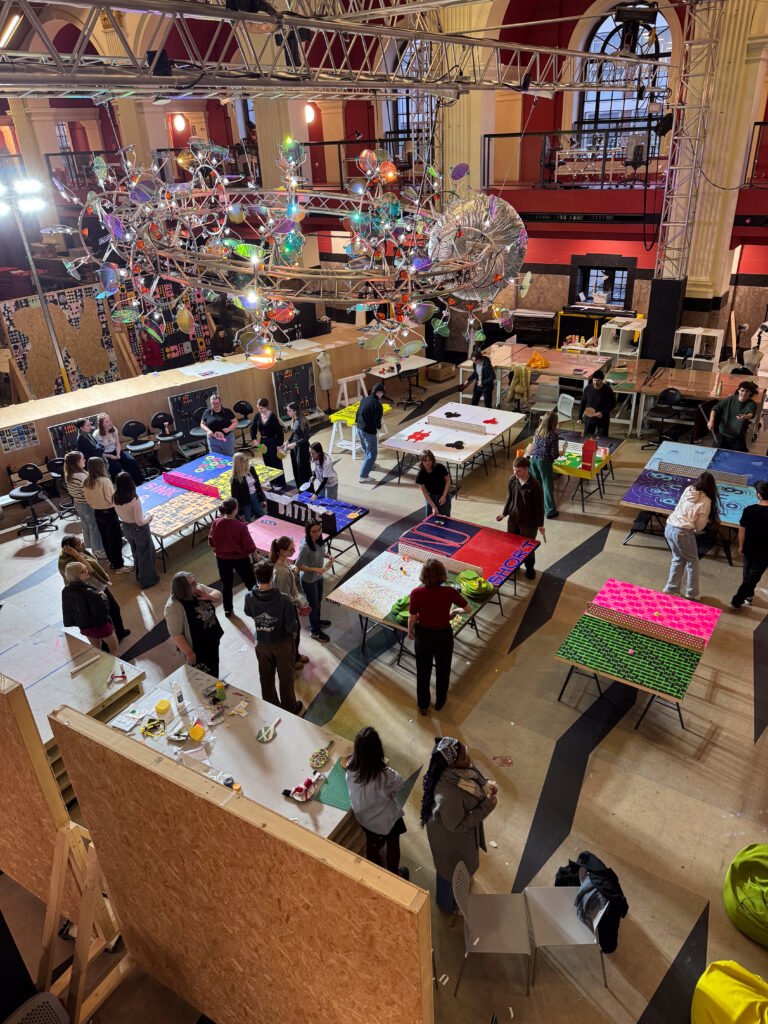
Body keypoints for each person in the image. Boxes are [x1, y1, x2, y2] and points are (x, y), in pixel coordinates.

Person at [420, 737, 497, 912]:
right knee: (450, 877)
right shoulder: (449, 794)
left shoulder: (459, 770)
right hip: (451, 844)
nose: (468, 760)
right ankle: (447, 905)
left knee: (461, 871)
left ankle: (460, 887)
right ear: (451, 765)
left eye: (466, 752)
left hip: (461, 839)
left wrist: (486, 787)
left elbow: (474, 775)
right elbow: (456, 825)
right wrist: (487, 806)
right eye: (463, 758)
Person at [345, 726, 408, 878]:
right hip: (386, 820)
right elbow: (399, 782)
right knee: (393, 845)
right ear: (378, 752)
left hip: (364, 819)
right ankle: (394, 873)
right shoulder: (384, 775)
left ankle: (375, 865)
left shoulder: (350, 767)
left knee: (371, 843)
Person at [408, 558, 469, 715]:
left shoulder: (416, 593)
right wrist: (454, 612)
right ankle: (440, 702)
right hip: (443, 636)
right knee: (443, 670)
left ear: (423, 575)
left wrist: (410, 631)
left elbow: (412, 617)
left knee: (423, 672)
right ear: (443, 574)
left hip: (424, 635)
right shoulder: (450, 592)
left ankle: (423, 705)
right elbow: (467, 609)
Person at [244, 560, 303, 715]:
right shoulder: (283, 599)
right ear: (272, 577)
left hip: (262, 642)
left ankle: (272, 707)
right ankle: (290, 708)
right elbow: (291, 625)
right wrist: (293, 633)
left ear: (257, 578)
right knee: (286, 678)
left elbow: (248, 612)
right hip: (282, 643)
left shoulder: (249, 597)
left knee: (266, 678)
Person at [58, 537, 130, 643]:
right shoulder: (69, 562)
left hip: (99, 586)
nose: (83, 544)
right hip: (91, 592)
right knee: (103, 618)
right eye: (79, 544)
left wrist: (77, 553)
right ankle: (108, 643)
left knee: (114, 609)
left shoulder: (80, 553)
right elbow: (90, 569)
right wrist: (76, 555)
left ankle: (119, 632)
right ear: (71, 549)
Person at [663, 471, 720, 600]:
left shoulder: (689, 489)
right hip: (683, 532)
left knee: (678, 558)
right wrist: (696, 530)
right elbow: (701, 521)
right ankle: (692, 593)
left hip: (669, 526)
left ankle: (671, 588)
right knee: (692, 561)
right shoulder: (706, 500)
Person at [164, 571, 223, 677]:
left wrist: (209, 596)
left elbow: (218, 595)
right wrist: (189, 653)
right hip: (197, 649)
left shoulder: (198, 589)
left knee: (214, 672)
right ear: (182, 588)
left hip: (212, 641)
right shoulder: (173, 607)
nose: (196, 584)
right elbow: (176, 635)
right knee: (203, 678)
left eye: (195, 581)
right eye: (192, 584)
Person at [496, 456, 545, 580]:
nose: (515, 474)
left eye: (518, 471)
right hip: (513, 519)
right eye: (514, 471)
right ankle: (514, 566)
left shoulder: (535, 485)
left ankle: (529, 569)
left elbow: (539, 507)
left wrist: (540, 524)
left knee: (527, 547)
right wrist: (504, 513)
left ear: (526, 469)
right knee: (512, 545)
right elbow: (509, 498)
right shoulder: (513, 480)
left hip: (528, 523)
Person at [208, 497, 257, 615]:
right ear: (235, 510)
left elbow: (211, 542)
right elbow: (248, 546)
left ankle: (227, 609)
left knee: (226, 584)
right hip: (240, 559)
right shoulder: (240, 526)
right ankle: (257, 603)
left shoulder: (216, 522)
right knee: (250, 582)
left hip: (222, 559)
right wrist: (255, 555)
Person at [61, 561, 120, 656]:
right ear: (76, 575)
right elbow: (103, 611)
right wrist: (103, 598)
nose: (87, 571)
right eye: (83, 571)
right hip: (101, 626)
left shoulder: (66, 591)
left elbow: (69, 610)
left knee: (96, 649)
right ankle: (114, 669)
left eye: (86, 569)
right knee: (114, 648)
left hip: (85, 627)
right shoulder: (90, 593)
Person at [112, 472, 160, 589]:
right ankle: (148, 580)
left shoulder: (114, 497)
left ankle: (139, 575)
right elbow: (140, 522)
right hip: (139, 529)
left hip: (126, 527)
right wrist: (149, 518)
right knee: (146, 554)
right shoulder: (134, 501)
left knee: (136, 552)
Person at [82, 458, 130, 573]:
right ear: (101, 467)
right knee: (115, 540)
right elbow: (110, 499)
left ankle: (112, 561)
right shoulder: (104, 481)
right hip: (109, 512)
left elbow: (87, 499)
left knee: (106, 539)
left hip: (97, 513)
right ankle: (118, 566)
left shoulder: (87, 482)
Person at [269, 535, 311, 664]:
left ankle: (296, 655)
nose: (293, 552)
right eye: (291, 550)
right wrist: (299, 603)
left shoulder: (282, 563)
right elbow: (285, 597)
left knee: (296, 632)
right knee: (292, 635)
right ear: (281, 551)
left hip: (288, 606)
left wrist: (292, 569)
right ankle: (291, 661)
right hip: (286, 609)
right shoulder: (281, 572)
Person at [731, 479, 768, 608]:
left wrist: (741, 546)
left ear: (758, 495)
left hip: (749, 548)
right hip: (764, 551)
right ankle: (747, 595)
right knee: (752, 576)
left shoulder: (749, 510)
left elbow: (742, 531)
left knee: (748, 574)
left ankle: (737, 600)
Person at [296, 521, 334, 642]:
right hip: (309, 580)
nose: (317, 533)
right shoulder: (305, 546)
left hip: (318, 577)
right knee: (313, 605)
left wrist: (327, 556)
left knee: (318, 601)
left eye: (319, 530)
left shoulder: (319, 540)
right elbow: (299, 565)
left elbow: (320, 552)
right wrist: (315, 569)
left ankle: (317, 621)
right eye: (314, 531)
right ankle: (315, 631)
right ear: (308, 531)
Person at [63, 450, 105, 558]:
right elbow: (89, 492)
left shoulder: (70, 474)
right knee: (94, 528)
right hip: (87, 505)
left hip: (78, 504)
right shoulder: (81, 476)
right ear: (77, 462)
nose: (84, 460)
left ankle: (89, 546)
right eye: (82, 459)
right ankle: (98, 550)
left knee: (86, 527)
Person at [529, 410, 564, 519]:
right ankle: (550, 511)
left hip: (533, 459)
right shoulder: (553, 435)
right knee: (547, 486)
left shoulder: (538, 430)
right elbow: (553, 454)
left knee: (536, 485)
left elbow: (537, 446)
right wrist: (559, 453)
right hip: (544, 462)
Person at [708, 381, 759, 452]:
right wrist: (711, 421)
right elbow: (714, 409)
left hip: (737, 436)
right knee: (715, 454)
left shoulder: (751, 404)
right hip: (723, 434)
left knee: (741, 457)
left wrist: (745, 416)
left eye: (747, 391)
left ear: (750, 393)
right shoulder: (730, 399)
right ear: (738, 390)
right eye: (742, 390)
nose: (744, 393)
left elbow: (751, 414)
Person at [96, 413, 144, 485]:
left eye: (110, 421)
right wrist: (110, 456)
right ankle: (122, 486)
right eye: (107, 422)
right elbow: (99, 452)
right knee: (117, 467)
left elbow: (117, 444)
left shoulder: (114, 429)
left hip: (116, 450)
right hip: (106, 454)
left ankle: (139, 482)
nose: (109, 423)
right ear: (101, 424)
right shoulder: (97, 435)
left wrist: (118, 453)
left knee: (131, 460)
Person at [250, 397, 285, 488]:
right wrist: (254, 439)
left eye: (261, 408)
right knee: (267, 461)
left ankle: (280, 483)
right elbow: (253, 428)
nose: (259, 410)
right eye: (258, 408)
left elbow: (279, 431)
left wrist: (279, 444)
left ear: (266, 407)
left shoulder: (272, 416)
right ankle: (272, 481)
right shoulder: (257, 416)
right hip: (263, 441)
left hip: (272, 441)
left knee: (276, 461)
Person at [355, 382, 386, 484]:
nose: (382, 395)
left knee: (366, 449)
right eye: (382, 393)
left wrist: (358, 423)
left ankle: (370, 465)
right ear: (378, 393)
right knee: (372, 453)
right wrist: (379, 427)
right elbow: (376, 421)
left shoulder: (364, 399)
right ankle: (363, 476)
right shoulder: (377, 404)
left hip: (359, 428)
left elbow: (358, 412)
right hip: (368, 431)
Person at [578, 369, 616, 438]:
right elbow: (583, 403)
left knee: (602, 439)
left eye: (598, 380)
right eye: (594, 380)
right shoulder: (588, 389)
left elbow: (613, 404)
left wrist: (603, 412)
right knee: (587, 438)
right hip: (589, 418)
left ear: (602, 380)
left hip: (603, 419)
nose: (595, 382)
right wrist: (579, 417)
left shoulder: (608, 390)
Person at [230, 451, 266, 522]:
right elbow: (235, 497)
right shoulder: (235, 479)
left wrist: (262, 499)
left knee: (262, 515)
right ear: (238, 464)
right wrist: (240, 512)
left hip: (255, 496)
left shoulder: (251, 470)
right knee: (247, 520)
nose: (246, 463)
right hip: (244, 502)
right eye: (244, 462)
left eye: (247, 460)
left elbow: (258, 485)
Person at [415, 450, 452, 519]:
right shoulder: (420, 475)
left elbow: (448, 481)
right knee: (431, 519)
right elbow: (425, 493)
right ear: (421, 462)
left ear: (433, 460)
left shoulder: (440, 467)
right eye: (425, 461)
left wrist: (444, 496)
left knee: (445, 518)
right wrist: (433, 506)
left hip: (443, 494)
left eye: (429, 460)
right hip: (430, 497)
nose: (427, 463)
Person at [285, 402, 311, 488]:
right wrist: (288, 441)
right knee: (296, 469)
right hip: (295, 447)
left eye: (289, 411)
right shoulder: (294, 419)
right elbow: (294, 433)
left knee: (303, 470)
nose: (287, 412)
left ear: (295, 411)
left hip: (302, 448)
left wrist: (295, 443)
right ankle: (300, 487)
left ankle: (307, 490)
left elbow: (306, 437)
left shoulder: (302, 421)